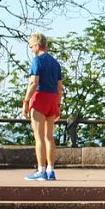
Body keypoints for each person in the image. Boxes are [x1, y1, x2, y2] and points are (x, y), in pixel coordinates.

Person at [22, 32, 63, 181]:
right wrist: (58, 105)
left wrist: (26, 101)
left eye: (32, 46)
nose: (31, 49)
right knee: (49, 137)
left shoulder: (37, 61)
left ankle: (41, 170)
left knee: (38, 137)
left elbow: (34, 82)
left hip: (40, 97)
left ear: (38, 46)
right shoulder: (55, 63)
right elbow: (60, 87)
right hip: (52, 98)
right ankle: (51, 170)